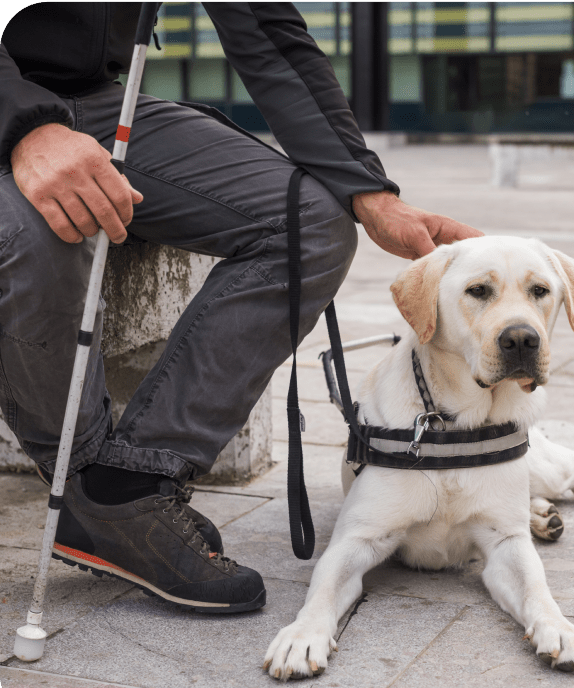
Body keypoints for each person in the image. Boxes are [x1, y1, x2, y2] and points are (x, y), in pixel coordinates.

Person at [0, 1, 480, 613]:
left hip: (89, 103)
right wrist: (22, 123)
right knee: (41, 230)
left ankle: (132, 484)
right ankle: (89, 489)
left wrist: (370, 193)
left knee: (309, 222)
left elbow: (267, 29)